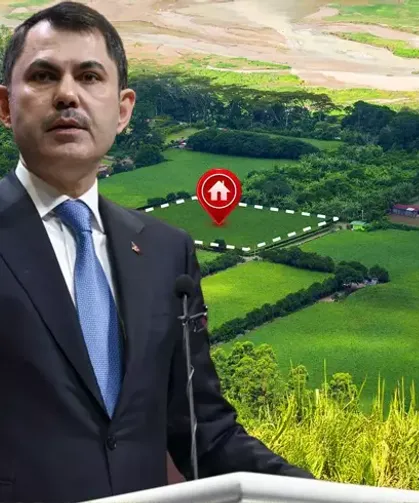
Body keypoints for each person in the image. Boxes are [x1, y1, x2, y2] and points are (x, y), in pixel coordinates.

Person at [0, 2, 315, 502]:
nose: (67, 94)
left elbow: (202, 430)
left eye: (89, 77)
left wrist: (322, 493)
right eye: (43, 76)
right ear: (5, 105)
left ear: (123, 109)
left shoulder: (167, 252)